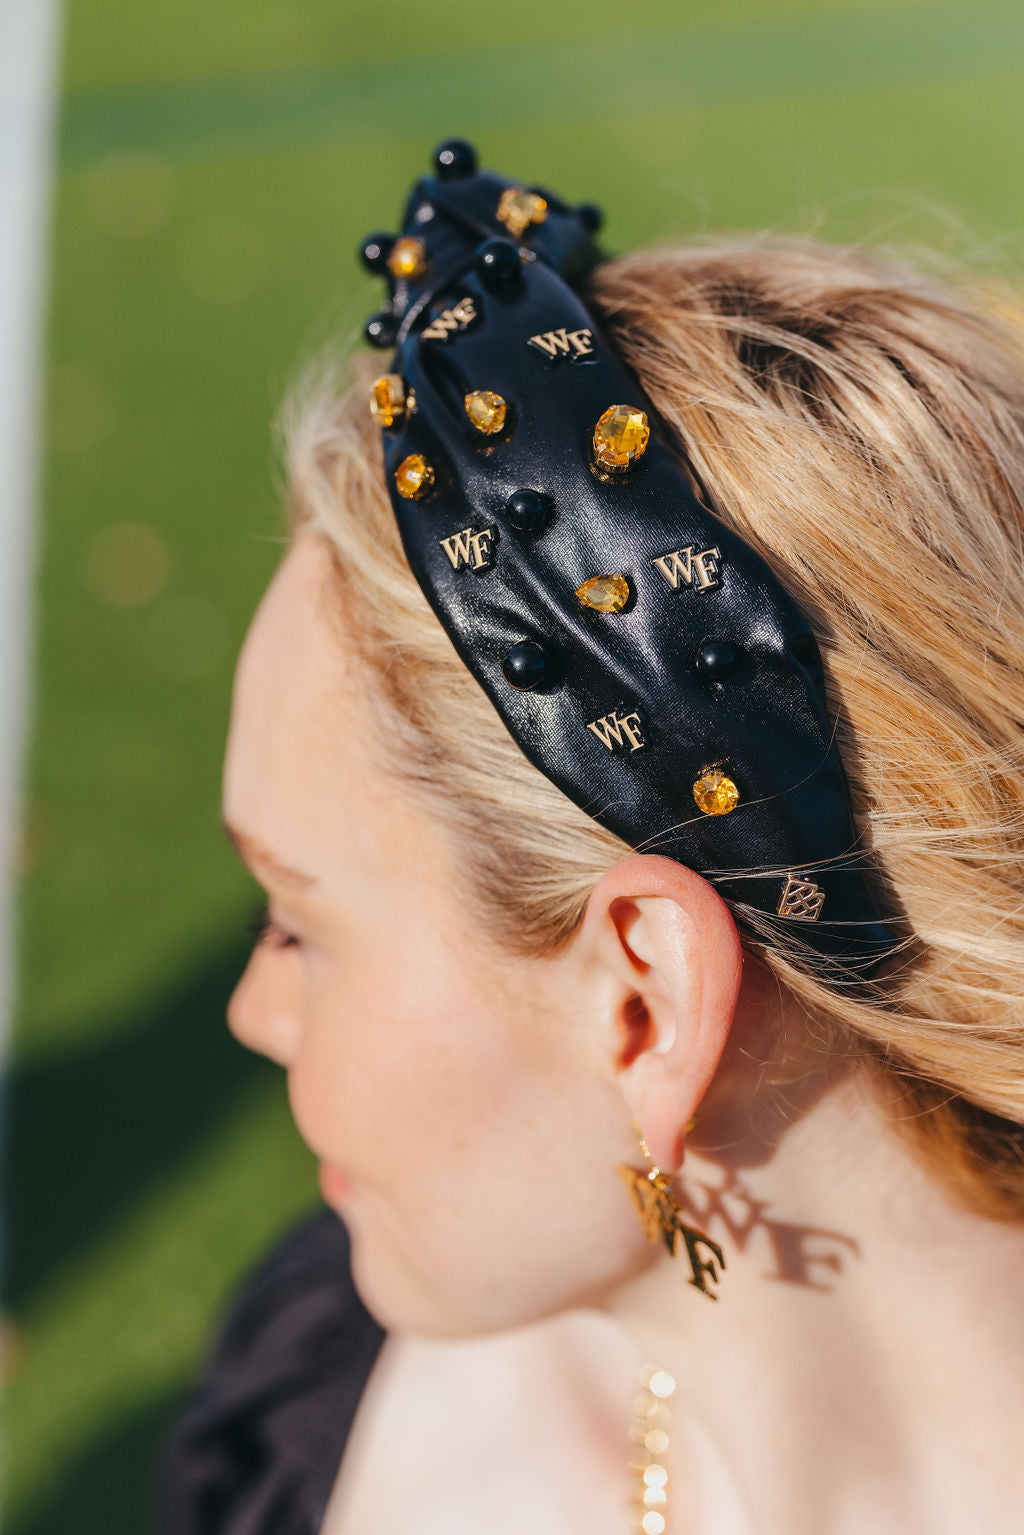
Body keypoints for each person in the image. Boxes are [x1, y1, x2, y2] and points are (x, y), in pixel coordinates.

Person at [157, 141, 1024, 1534]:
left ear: (647, 1001)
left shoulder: (391, 1405)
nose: (255, 1008)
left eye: (299, 921)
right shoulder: (340, 1365)